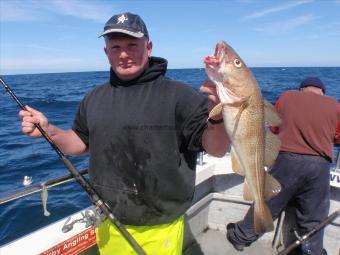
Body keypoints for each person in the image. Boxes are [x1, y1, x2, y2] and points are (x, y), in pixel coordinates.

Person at [19, 12, 229, 255]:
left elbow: (217, 148)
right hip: (107, 219)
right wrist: (50, 131)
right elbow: (80, 143)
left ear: (148, 47)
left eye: (132, 45)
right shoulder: (94, 97)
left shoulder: (180, 95)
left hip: (159, 226)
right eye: (116, 47)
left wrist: (218, 115)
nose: (124, 54)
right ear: (106, 52)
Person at [226, 77, 340, 254]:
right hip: (320, 167)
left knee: (269, 204)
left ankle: (241, 237)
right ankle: (312, 251)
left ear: (302, 89)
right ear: (322, 91)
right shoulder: (334, 105)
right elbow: (338, 137)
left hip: (288, 162)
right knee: (313, 221)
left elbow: (274, 127)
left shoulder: (287, 96)